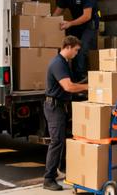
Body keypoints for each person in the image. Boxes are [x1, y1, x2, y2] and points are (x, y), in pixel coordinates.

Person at [42, 36, 89, 191]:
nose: (76, 53)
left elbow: (70, 85)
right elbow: (68, 87)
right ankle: (48, 179)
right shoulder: (58, 63)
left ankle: (56, 171)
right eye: (75, 50)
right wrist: (89, 87)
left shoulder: (64, 63)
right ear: (68, 47)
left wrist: (85, 83)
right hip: (54, 107)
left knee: (61, 141)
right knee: (56, 142)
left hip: (60, 106)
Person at [53, 0, 99, 82]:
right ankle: (73, 77)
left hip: (89, 24)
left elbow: (87, 16)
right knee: (71, 48)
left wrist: (70, 23)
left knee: (81, 49)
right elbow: (56, 13)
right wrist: (48, 22)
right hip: (77, 24)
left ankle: (81, 78)